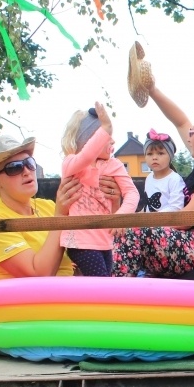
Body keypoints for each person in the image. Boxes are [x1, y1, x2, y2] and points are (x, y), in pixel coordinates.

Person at [112, 78, 194, 277]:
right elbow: (180, 120)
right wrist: (152, 90)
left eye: (193, 132)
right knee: (128, 232)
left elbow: (185, 219)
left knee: (132, 232)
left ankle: (116, 295)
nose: (189, 136)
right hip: (191, 238)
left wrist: (137, 221)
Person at [0, 135, 84, 280]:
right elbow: (38, 275)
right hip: (24, 301)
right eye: (14, 168)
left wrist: (114, 201)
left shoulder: (49, 207)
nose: (26, 171)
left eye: (29, 163)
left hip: (67, 295)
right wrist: (61, 217)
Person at [60, 103, 139, 276]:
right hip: (80, 241)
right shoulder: (71, 164)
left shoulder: (114, 165)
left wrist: (121, 216)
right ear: (89, 139)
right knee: (102, 283)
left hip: (104, 240)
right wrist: (105, 128)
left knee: (103, 284)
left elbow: (132, 192)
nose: (112, 140)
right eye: (106, 136)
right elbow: (87, 155)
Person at [140, 129, 186, 213]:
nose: (154, 157)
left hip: (166, 223)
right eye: (150, 154)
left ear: (170, 156)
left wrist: (154, 218)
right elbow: (147, 205)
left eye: (160, 153)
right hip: (148, 223)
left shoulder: (174, 179)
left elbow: (176, 207)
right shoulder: (149, 177)